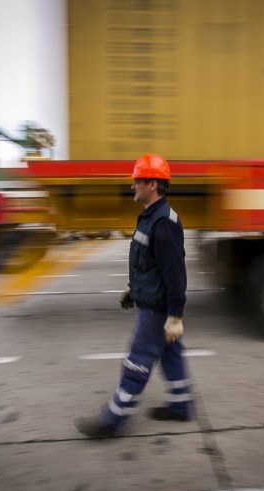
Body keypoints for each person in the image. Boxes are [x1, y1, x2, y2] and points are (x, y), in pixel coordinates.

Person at [75, 153, 192, 438]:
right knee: (170, 352)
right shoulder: (151, 217)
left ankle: (112, 419)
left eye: (137, 181)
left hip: (158, 308)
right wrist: (134, 289)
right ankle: (181, 404)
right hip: (152, 299)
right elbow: (148, 263)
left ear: (152, 184)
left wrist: (175, 315)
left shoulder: (163, 222)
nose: (133, 186)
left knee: (137, 358)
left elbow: (175, 274)